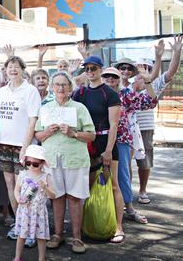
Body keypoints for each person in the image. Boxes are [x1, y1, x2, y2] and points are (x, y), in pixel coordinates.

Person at [35, 72, 95, 253]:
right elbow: (38, 134)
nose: (60, 88)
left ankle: (77, 238)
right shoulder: (45, 108)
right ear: (52, 88)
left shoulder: (79, 108)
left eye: (64, 85)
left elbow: (91, 135)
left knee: (75, 198)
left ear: (70, 88)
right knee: (57, 196)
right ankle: (58, 234)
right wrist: (48, 132)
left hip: (75, 159)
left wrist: (74, 133)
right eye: (57, 85)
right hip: (53, 159)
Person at [70, 58, 125, 244]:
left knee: (113, 184)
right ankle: (91, 224)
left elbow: (114, 124)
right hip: (86, 143)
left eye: (93, 68)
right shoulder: (80, 93)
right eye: (87, 68)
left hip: (105, 141)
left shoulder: (109, 94)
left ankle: (118, 227)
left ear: (100, 70)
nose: (90, 71)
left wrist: (108, 150)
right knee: (88, 185)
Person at [0, 56, 41, 245]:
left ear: (23, 69)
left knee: (27, 188)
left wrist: (25, 147)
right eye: (10, 67)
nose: (13, 70)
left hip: (24, 146)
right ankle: (19, 224)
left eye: (16, 67)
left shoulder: (30, 91)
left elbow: (33, 120)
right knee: (11, 186)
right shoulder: (1, 92)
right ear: (5, 70)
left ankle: (31, 229)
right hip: (4, 144)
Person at [135, 36, 182, 204]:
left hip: (145, 128)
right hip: (125, 129)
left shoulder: (154, 85)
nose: (143, 72)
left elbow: (170, 73)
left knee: (145, 161)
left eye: (146, 68)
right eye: (139, 69)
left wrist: (176, 53)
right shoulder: (126, 86)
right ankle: (124, 193)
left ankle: (142, 190)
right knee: (123, 163)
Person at [110, 59, 157, 225]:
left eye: (113, 77)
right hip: (100, 140)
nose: (110, 80)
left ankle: (129, 208)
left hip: (121, 140)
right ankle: (101, 209)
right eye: (106, 77)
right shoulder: (94, 93)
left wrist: (148, 81)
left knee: (123, 174)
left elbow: (150, 102)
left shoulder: (125, 95)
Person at [13, 145, 56, 261]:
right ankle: (17, 257)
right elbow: (16, 190)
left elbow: (53, 195)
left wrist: (46, 187)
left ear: (42, 163)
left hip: (39, 211)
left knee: (41, 237)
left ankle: (41, 258)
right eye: (28, 163)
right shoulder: (22, 174)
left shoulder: (46, 176)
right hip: (24, 210)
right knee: (21, 235)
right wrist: (18, 200)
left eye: (35, 164)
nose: (31, 166)